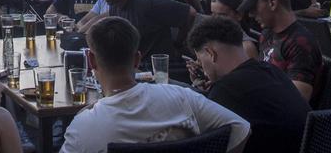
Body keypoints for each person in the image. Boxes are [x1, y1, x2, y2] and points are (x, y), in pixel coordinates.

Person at [60, 16, 249, 153]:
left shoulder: (83, 128)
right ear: (137, 59)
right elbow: (241, 128)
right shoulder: (183, 97)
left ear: (91, 60)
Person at [186, 15, 307, 153]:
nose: (201, 66)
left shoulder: (225, 90)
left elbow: (205, 141)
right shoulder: (272, 71)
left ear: (210, 53)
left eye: (200, 60)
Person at [79, 0, 194, 73]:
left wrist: (178, 43)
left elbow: (190, 13)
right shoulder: (115, 5)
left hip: (157, 72)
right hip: (134, 69)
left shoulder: (147, 4)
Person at [240, 0, 322, 102]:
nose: (250, 14)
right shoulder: (267, 34)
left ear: (272, 3)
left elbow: (297, 102)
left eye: (254, 8)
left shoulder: (300, 43)